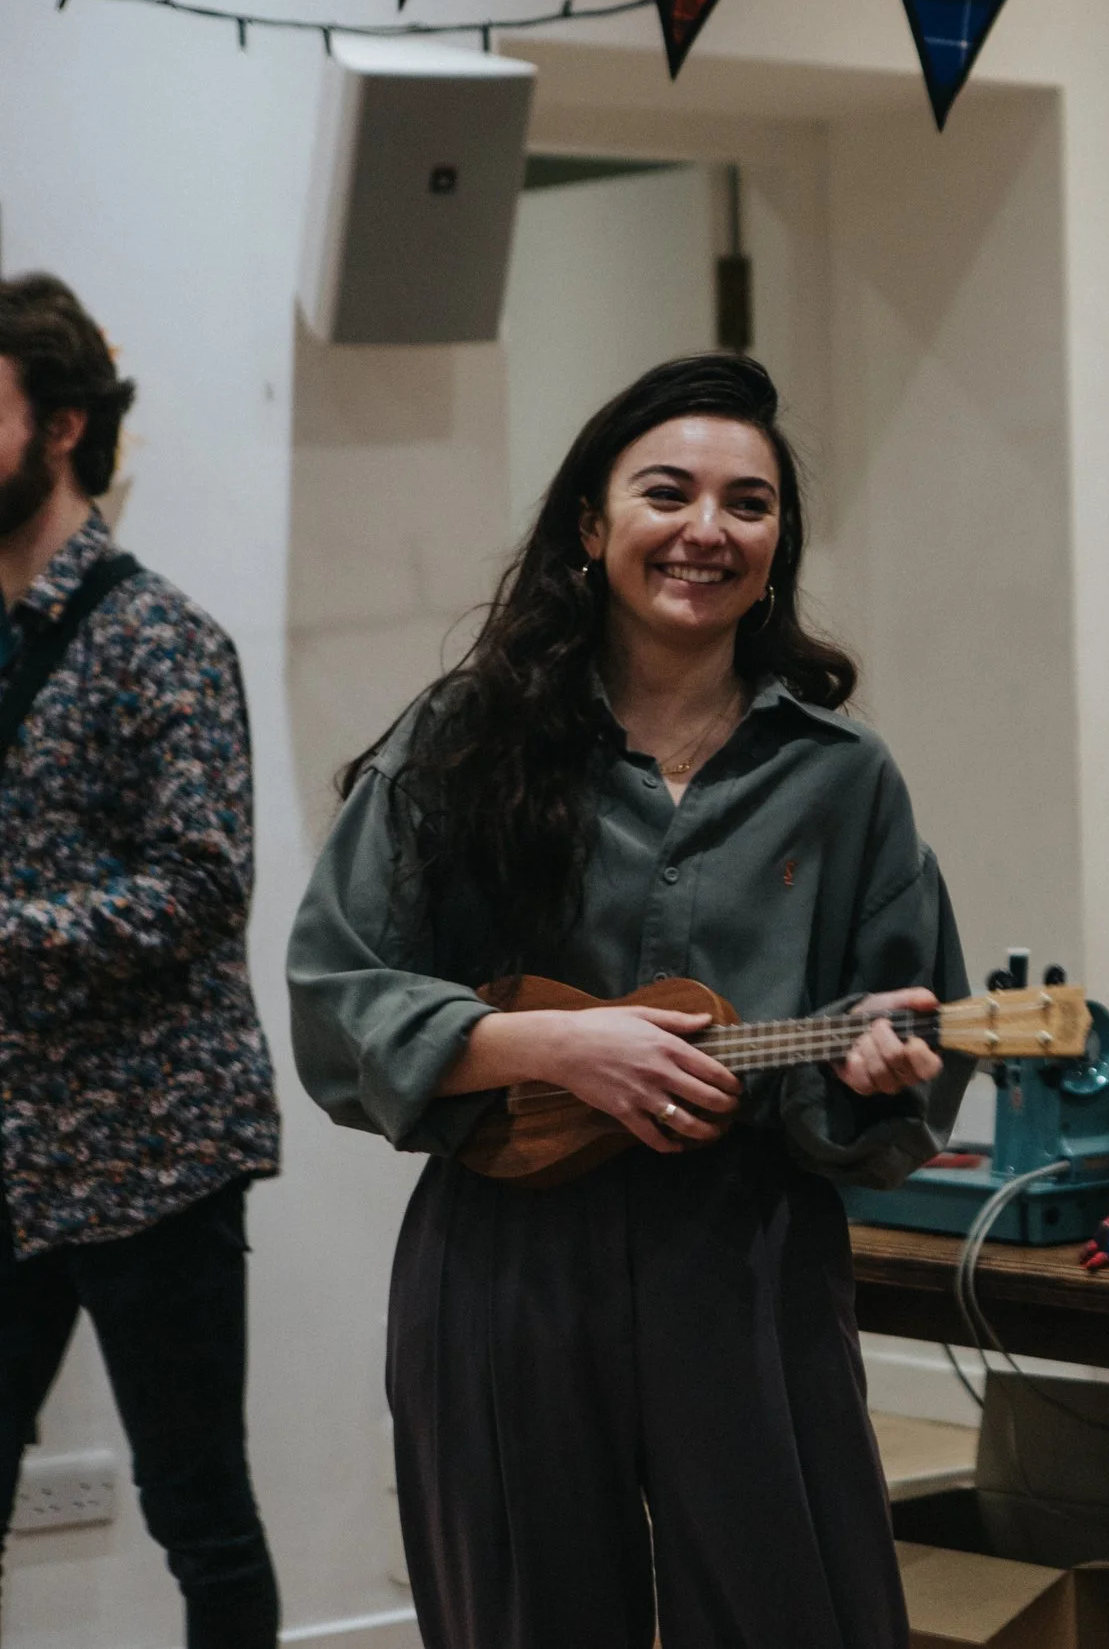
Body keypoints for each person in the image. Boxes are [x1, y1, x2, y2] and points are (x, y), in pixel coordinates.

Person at [288, 354, 971, 1649]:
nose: (708, 528)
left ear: (779, 544)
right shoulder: (463, 736)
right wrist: (551, 1041)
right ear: (592, 526)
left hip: (749, 1249)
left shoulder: (844, 777)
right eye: (670, 491)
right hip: (508, 1255)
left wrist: (874, 1067)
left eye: (750, 503)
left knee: (802, 1609)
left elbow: (910, 1031)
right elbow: (335, 990)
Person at [0, 275, 282, 1647]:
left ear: (58, 424)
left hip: (151, 1145)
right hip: (10, 1145)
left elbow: (203, 882)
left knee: (201, 1514)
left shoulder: (160, 633)